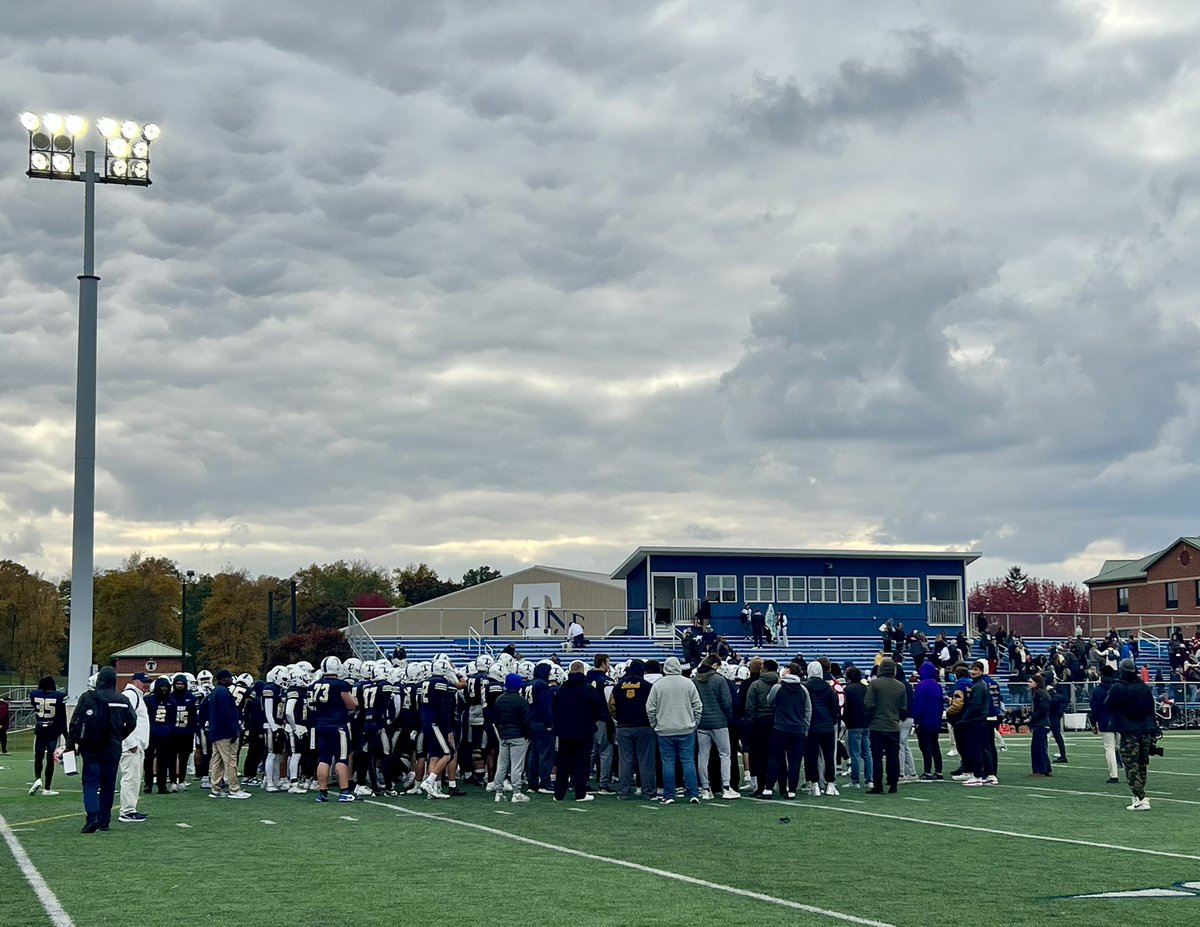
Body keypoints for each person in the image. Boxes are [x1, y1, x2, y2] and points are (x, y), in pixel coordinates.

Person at [69, 667, 135, 833]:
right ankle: (105, 820)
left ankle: (93, 817)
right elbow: (132, 721)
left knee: (90, 783)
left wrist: (71, 744)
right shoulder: (122, 699)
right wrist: (119, 736)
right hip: (113, 748)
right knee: (108, 784)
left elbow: (75, 721)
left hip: (91, 747)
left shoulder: (88, 697)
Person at [646, 656, 703, 804]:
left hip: (664, 729)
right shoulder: (688, 683)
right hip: (686, 728)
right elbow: (698, 705)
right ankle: (693, 793)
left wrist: (654, 724)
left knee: (668, 763)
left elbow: (650, 707)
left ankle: (669, 794)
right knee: (688, 762)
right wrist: (694, 722)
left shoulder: (658, 685)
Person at [1105, 658, 1157, 811]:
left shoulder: (1118, 687)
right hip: (1145, 730)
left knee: (1130, 765)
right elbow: (1151, 709)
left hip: (1129, 731)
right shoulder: (1143, 688)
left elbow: (1108, 706)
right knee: (1142, 764)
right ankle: (1138, 796)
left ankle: (1141, 798)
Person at [552, 661, 607, 802]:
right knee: (582, 762)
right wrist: (591, 720)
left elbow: (555, 707)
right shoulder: (588, 688)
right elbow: (599, 707)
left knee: (563, 762)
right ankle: (580, 793)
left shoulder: (562, 689)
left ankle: (559, 794)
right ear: (583, 671)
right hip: (584, 730)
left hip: (564, 731)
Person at [610, 659, 657, 801]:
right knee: (645, 761)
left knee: (625, 761)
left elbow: (611, 707)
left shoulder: (618, 687)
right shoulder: (648, 687)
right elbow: (653, 706)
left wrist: (620, 718)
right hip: (644, 726)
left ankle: (624, 792)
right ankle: (648, 791)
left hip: (624, 727)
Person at [692, 655, 738, 800]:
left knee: (703, 756)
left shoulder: (695, 680)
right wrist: (728, 716)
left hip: (701, 723)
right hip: (719, 722)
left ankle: (705, 788)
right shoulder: (719, 679)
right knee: (725, 755)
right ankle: (726, 787)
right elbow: (726, 702)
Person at [764, 662, 811, 799]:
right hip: (797, 730)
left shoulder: (778, 687)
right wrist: (805, 729)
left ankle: (768, 789)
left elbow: (769, 701)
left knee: (775, 759)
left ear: (788, 671)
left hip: (779, 727)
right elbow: (808, 710)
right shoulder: (803, 689)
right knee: (795, 762)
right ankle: (792, 791)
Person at [207, 669, 253, 800]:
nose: (231, 680)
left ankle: (215, 787)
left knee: (217, 761)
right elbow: (227, 714)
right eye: (229, 678)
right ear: (223, 679)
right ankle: (234, 789)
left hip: (216, 731)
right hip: (225, 732)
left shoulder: (215, 691)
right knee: (230, 760)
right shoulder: (224, 693)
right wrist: (233, 731)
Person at [865, 658, 907, 794]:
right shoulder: (901, 686)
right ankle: (893, 783)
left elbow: (868, 704)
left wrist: (870, 717)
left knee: (877, 757)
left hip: (877, 725)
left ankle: (878, 785)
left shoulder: (874, 684)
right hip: (893, 725)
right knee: (893, 756)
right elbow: (904, 708)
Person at [491, 673, 531, 802]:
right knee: (516, 766)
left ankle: (498, 792)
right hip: (518, 736)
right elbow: (525, 721)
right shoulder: (521, 701)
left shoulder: (499, 699)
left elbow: (496, 719)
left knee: (502, 765)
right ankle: (516, 793)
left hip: (504, 735)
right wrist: (527, 735)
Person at [802, 662, 840, 796]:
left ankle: (814, 784)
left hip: (811, 726)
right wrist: (832, 720)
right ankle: (830, 783)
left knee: (811, 756)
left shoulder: (805, 687)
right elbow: (835, 707)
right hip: (827, 726)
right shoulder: (828, 688)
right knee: (829, 756)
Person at [118, 672, 151, 823]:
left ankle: (130, 809)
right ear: (135, 681)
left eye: (148, 682)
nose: (147, 685)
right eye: (144, 682)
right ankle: (127, 811)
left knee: (135, 778)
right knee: (130, 778)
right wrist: (131, 743)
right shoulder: (131, 695)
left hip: (136, 745)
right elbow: (123, 720)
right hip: (131, 746)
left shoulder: (136, 696)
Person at [744, 659, 779, 795]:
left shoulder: (756, 685)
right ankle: (778, 785)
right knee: (776, 755)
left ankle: (761, 786)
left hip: (760, 721)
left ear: (765, 669)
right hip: (777, 722)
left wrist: (750, 723)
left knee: (760, 756)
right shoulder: (780, 684)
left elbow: (750, 706)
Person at [29, 675, 67, 796]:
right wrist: (67, 736)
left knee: (38, 756)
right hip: (53, 730)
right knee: (50, 758)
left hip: (40, 728)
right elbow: (62, 718)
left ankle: (37, 778)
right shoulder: (59, 697)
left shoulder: (34, 694)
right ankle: (47, 788)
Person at [587, 655, 616, 794]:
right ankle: (603, 784)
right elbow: (611, 702)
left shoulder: (587, 678)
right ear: (604, 664)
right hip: (603, 719)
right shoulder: (606, 681)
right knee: (605, 751)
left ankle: (583, 781)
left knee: (590, 751)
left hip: (587, 719)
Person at [527, 662, 557, 794]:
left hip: (531, 722)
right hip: (541, 722)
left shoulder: (529, 684)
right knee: (546, 753)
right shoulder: (541, 685)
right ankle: (544, 782)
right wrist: (549, 723)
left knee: (533, 754)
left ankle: (532, 783)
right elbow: (546, 706)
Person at [841, 666, 873, 789]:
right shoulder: (865, 688)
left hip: (854, 724)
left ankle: (855, 781)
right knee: (867, 753)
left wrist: (846, 721)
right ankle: (869, 780)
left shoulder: (847, 690)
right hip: (866, 723)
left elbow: (845, 708)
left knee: (855, 754)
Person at [911, 662, 944, 780]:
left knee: (925, 747)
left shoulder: (921, 686)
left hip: (924, 719)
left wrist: (915, 719)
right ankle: (939, 771)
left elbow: (919, 704)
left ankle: (927, 771)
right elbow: (941, 704)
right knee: (935, 745)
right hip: (935, 719)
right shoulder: (937, 685)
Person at [1090, 665, 1120, 783]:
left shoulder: (1097, 690)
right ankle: (1131, 773)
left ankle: (1114, 775)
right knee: (1124, 748)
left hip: (1105, 721)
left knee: (1109, 748)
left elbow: (1095, 708)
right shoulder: (1119, 687)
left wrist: (1093, 723)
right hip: (1121, 721)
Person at [1028, 674, 1053, 777]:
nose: (1028, 684)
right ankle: (1046, 768)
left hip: (1040, 723)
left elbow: (1042, 709)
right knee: (1042, 747)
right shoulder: (1042, 693)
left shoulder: (1039, 693)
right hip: (1043, 723)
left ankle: (1040, 770)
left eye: (1031, 682)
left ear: (1036, 683)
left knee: (1038, 747)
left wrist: (1032, 718)